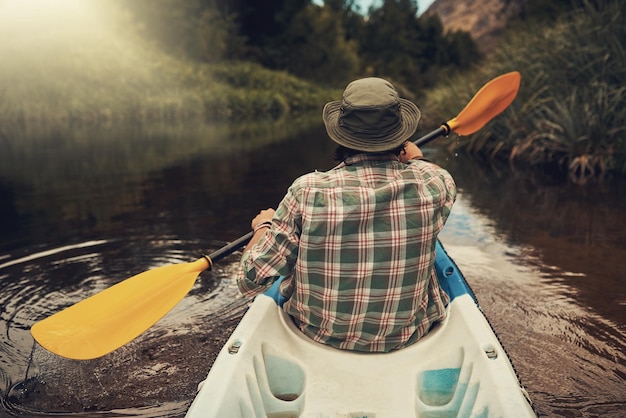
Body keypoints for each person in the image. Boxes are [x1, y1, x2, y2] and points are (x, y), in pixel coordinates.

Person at [237, 77, 457, 353]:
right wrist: (412, 156)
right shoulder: (435, 184)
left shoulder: (306, 191)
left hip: (316, 336)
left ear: (340, 133)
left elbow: (249, 281)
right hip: (407, 337)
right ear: (401, 136)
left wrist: (263, 226)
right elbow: (427, 169)